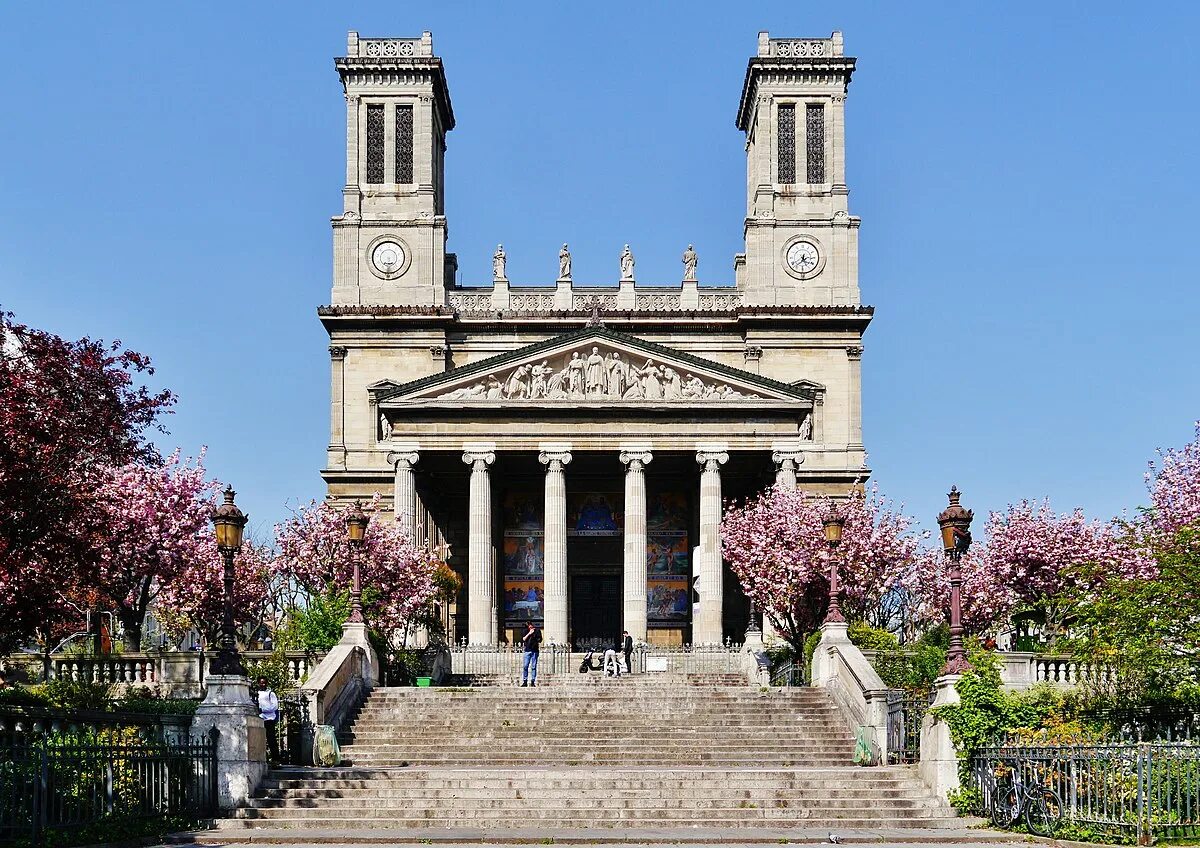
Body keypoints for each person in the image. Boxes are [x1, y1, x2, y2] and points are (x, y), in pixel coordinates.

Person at [256, 677, 280, 764]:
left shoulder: (271, 693)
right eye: (261, 683)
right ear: (258, 683)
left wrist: (263, 709)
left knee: (271, 739)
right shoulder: (256, 693)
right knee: (259, 740)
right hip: (259, 718)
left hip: (269, 719)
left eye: (264, 683)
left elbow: (274, 706)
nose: (263, 684)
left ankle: (276, 760)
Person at [520, 621, 541, 687]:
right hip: (527, 650)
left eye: (529, 625)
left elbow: (540, 639)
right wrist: (529, 633)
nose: (529, 627)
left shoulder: (537, 631)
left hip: (535, 650)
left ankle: (532, 681)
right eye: (528, 626)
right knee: (525, 666)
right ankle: (525, 681)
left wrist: (534, 636)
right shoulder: (525, 631)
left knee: (533, 666)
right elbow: (524, 639)